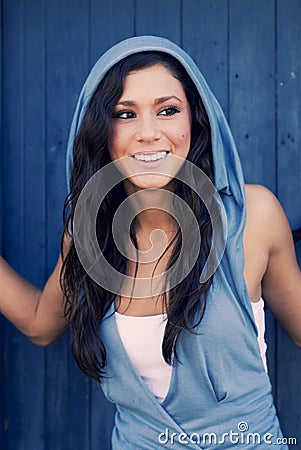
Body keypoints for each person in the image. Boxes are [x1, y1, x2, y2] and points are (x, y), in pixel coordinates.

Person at [0, 36, 300, 449]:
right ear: (101, 132)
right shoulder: (91, 235)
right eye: (125, 114)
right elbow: (40, 323)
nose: (147, 133)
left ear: (195, 121)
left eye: (168, 110)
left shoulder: (251, 218)